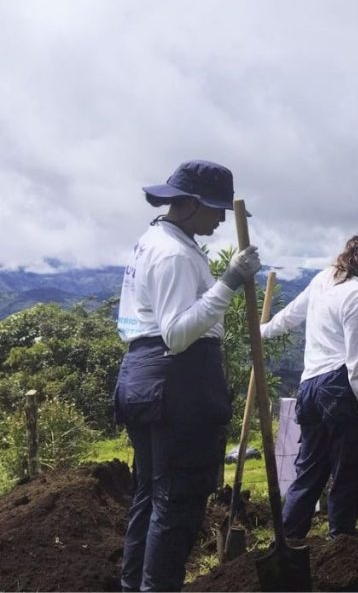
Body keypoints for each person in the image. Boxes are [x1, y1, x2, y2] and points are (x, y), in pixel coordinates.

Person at [114, 160, 261, 591]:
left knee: (151, 494)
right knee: (176, 500)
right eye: (217, 209)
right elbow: (177, 333)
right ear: (193, 204)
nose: (221, 219)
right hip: (174, 382)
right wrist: (231, 280)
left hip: (145, 378)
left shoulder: (156, 240)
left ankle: (135, 587)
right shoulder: (174, 254)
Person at [260, 234, 358, 541]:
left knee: (309, 473)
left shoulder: (324, 279)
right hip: (339, 386)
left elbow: (291, 315)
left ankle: (287, 543)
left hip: (308, 389)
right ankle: (342, 542)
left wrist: (263, 331)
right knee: (351, 470)